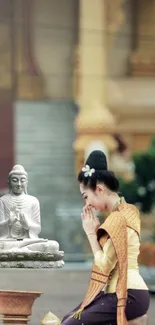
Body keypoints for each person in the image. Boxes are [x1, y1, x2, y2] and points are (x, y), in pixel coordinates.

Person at [62, 150, 150, 325]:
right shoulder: (129, 211)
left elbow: (104, 265)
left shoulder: (117, 219)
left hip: (128, 293)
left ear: (100, 189)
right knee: (69, 318)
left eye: (86, 197)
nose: (87, 204)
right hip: (128, 292)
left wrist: (90, 233)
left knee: (70, 323)